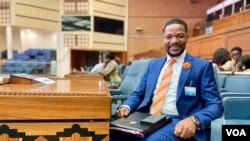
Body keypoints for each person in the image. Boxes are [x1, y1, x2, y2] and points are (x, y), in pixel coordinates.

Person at [111, 18, 223, 141]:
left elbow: (215, 105)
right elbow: (139, 94)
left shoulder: (201, 67)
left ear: (187, 37)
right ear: (163, 38)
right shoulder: (154, 64)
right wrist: (126, 107)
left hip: (178, 121)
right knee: (109, 133)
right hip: (146, 117)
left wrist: (194, 120)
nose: (174, 41)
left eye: (180, 36)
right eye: (169, 37)